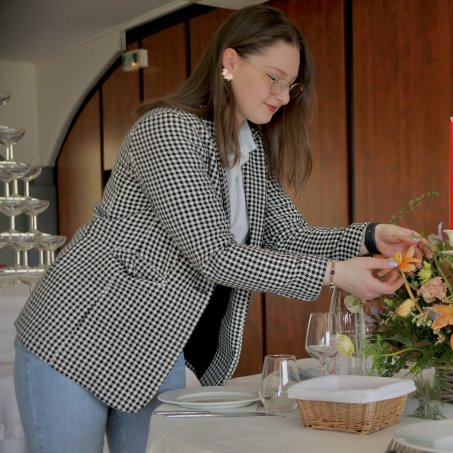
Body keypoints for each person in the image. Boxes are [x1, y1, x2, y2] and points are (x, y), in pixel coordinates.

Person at [13, 5, 429, 452]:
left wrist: (370, 237)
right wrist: (336, 275)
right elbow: (212, 253)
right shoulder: (168, 130)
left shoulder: (250, 153)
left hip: (155, 349)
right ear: (230, 62)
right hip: (77, 334)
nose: (283, 96)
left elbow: (290, 236)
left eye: (291, 84)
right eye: (273, 78)